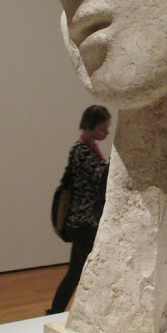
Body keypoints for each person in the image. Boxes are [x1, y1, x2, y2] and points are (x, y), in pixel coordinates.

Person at [46, 105, 111, 314]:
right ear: (91, 125)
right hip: (82, 222)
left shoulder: (88, 148)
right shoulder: (81, 151)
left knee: (75, 272)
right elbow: (101, 176)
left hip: (83, 222)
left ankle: (55, 311)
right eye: (103, 128)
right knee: (92, 272)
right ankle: (92, 314)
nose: (107, 132)